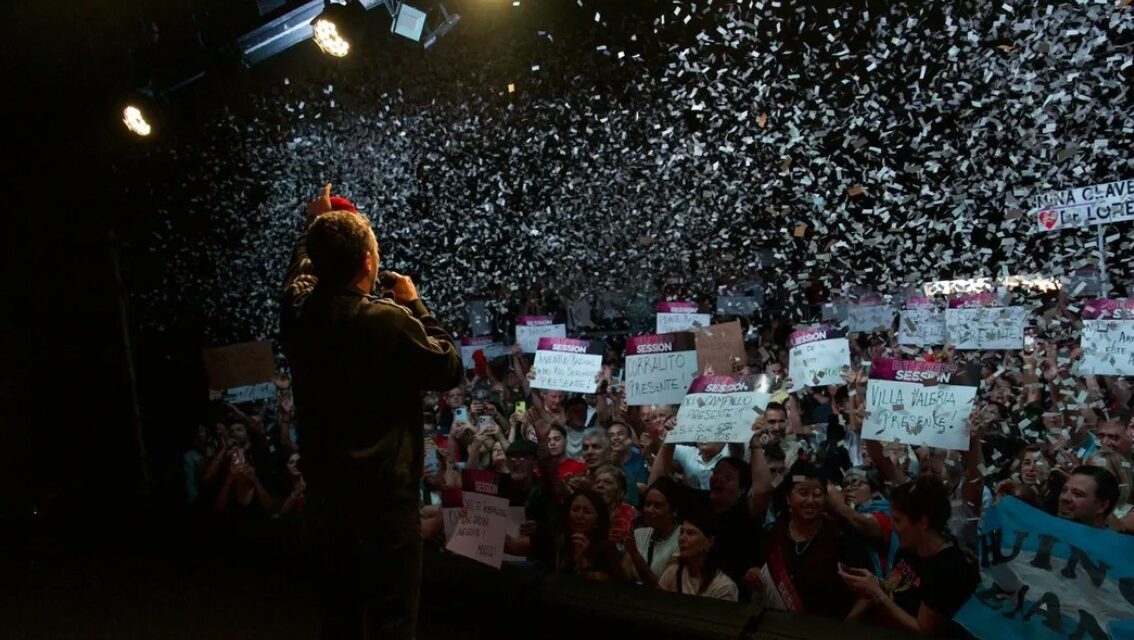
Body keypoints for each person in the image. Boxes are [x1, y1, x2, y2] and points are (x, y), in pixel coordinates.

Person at [279, 184, 463, 640]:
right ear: (368, 261)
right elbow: (449, 366)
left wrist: (315, 227)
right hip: (385, 502)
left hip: (327, 498)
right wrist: (414, 303)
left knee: (338, 614)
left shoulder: (298, 312)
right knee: (392, 619)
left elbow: (304, 273)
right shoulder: (388, 319)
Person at [840, 476, 980, 636]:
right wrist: (871, 582)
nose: (891, 526)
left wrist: (877, 593)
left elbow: (923, 630)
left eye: (897, 521)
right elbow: (893, 586)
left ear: (923, 522)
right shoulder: (909, 548)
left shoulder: (949, 568)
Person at [754, 460, 871, 618]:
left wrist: (845, 627)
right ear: (788, 498)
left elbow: (867, 593)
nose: (810, 501)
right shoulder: (774, 532)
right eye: (803, 493)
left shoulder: (841, 536)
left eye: (817, 494)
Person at [658, 509, 739, 601]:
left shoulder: (723, 586)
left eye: (690, 533)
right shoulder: (672, 573)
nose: (682, 538)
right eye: (681, 532)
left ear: (709, 542)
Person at [622, 477, 683, 586]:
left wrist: (635, 553)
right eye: (647, 504)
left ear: (674, 510)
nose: (650, 510)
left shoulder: (683, 539)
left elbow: (662, 589)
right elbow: (623, 578)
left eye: (657, 506)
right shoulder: (638, 534)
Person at [608, 421, 648, 505]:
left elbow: (642, 489)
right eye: (611, 435)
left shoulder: (639, 461)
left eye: (620, 434)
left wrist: (619, 465)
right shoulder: (604, 461)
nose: (615, 438)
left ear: (629, 439)